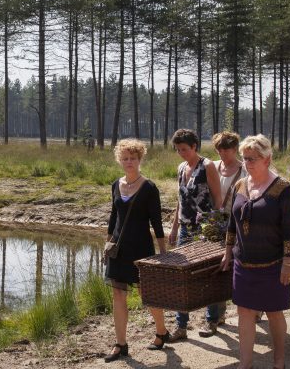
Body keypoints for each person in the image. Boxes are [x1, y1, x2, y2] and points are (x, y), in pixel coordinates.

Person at [220, 134, 290, 369]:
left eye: (253, 158)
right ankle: (246, 364)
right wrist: (227, 251)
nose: (248, 163)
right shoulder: (240, 185)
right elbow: (232, 223)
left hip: (273, 265)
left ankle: (279, 361)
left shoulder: (282, 189)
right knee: (244, 311)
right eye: (245, 159)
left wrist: (288, 262)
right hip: (243, 263)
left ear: (267, 159)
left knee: (274, 312)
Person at [104, 139, 170, 362]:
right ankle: (120, 344)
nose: (129, 162)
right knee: (118, 294)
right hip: (119, 249)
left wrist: (162, 251)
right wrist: (107, 244)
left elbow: (157, 222)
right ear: (119, 160)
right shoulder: (116, 184)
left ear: (140, 159)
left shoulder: (149, 187)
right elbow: (114, 218)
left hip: (141, 249)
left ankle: (161, 331)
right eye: (125, 158)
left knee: (147, 293)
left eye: (133, 158)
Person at [167, 129, 222, 341]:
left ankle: (211, 321)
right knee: (182, 276)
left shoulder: (207, 166)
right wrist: (173, 228)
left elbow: (217, 200)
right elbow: (179, 201)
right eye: (178, 149)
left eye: (184, 149)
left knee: (209, 274)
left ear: (194, 147)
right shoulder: (181, 167)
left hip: (205, 229)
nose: (181, 153)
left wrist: (216, 230)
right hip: (185, 228)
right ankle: (181, 326)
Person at [201, 130, 247, 335]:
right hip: (214, 225)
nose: (222, 152)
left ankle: (254, 306)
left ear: (235, 148)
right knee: (216, 268)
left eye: (226, 148)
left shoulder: (244, 169)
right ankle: (215, 316)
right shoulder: (213, 167)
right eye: (219, 148)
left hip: (238, 225)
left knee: (240, 268)